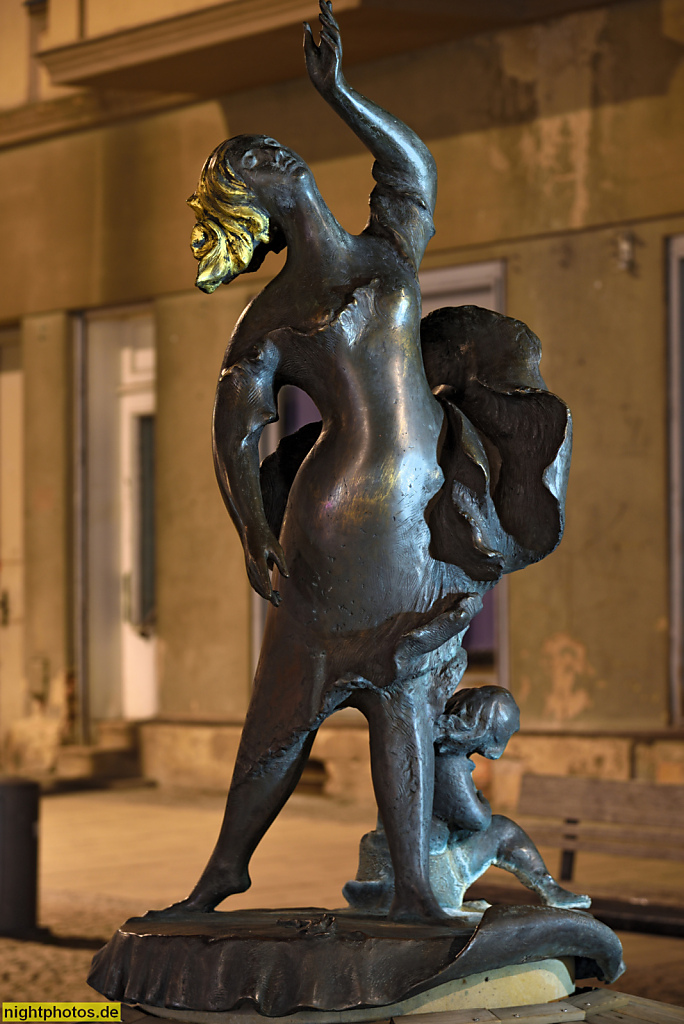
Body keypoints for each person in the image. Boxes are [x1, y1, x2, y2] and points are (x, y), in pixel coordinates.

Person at [168, 1, 571, 924]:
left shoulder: (385, 251)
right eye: (254, 169)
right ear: (254, 209)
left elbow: (411, 170)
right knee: (297, 707)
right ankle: (225, 874)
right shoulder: (268, 318)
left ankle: (413, 900)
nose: (276, 159)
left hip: (422, 502)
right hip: (344, 515)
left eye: (268, 148)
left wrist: (339, 90)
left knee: (402, 687)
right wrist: (253, 537)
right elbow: (234, 433)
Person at [344, 686, 591, 916]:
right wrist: (482, 801)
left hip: (390, 855)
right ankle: (549, 889)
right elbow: (476, 819)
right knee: (503, 830)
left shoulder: (422, 748)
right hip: (432, 863)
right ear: (489, 732)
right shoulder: (450, 762)